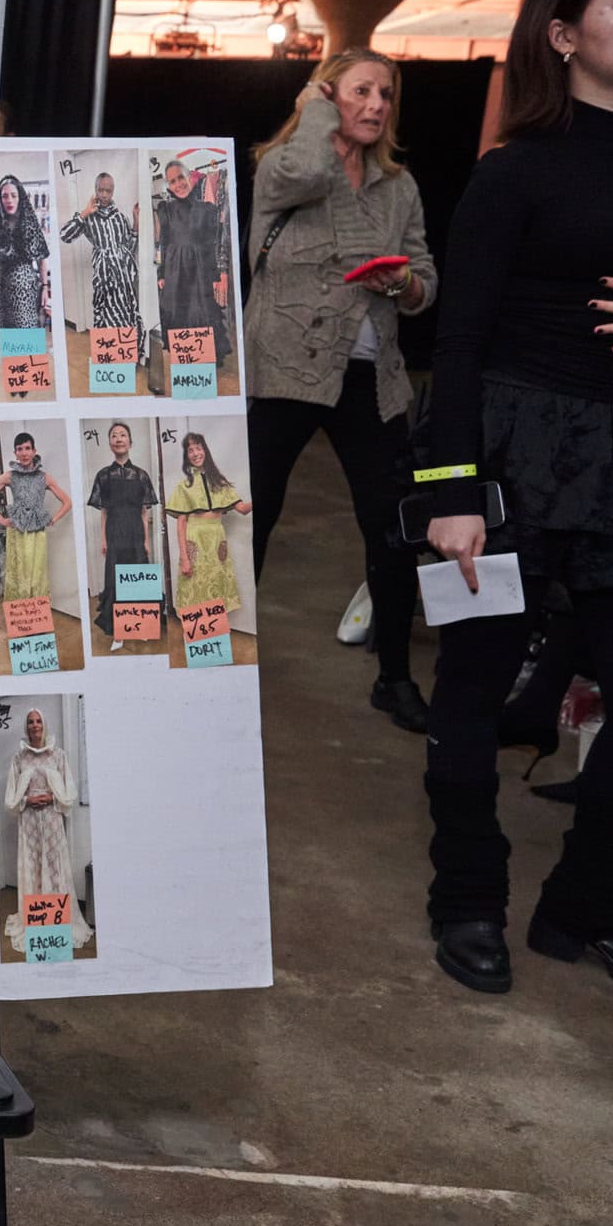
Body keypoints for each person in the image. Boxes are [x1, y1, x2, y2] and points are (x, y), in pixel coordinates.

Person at [422, 0, 613, 1013]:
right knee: (472, 692)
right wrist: (452, 490)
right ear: (564, 32)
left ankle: (584, 906)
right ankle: (467, 897)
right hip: (511, 454)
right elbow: (457, 342)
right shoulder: (516, 172)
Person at [245, 47, 438, 732]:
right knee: (251, 520)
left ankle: (395, 678)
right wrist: (314, 115)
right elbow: (305, 171)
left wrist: (405, 284)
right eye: (361, 91)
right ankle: (219, 664)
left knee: (392, 526)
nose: (377, 105)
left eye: (386, 94)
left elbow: (425, 281)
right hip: (284, 368)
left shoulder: (399, 187)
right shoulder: (283, 167)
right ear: (326, 95)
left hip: (368, 375)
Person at [0, 709, 91, 953]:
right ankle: (37, 919)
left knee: (53, 866)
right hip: (29, 821)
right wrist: (27, 800)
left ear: (44, 724)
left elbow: (69, 792)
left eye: (38, 721)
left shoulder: (57, 755)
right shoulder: (19, 758)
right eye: (30, 722)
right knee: (33, 865)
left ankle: (57, 922)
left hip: (51, 820)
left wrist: (51, 797)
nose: (35, 725)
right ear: (26, 727)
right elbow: (10, 797)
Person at [165, 432, 253, 615]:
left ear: (205, 450)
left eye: (198, 448)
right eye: (190, 450)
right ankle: (198, 632)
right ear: (186, 456)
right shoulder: (184, 486)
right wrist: (185, 558)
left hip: (216, 538)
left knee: (216, 586)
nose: (195, 453)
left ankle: (215, 631)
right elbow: (181, 523)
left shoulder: (220, 483)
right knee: (195, 586)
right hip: (195, 538)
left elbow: (243, 509)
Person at [58, 171, 142, 362]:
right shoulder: (89, 217)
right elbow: (64, 235)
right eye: (100, 190)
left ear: (113, 191)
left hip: (123, 279)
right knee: (103, 315)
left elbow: (130, 246)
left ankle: (124, 360)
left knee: (124, 316)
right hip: (103, 277)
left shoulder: (120, 217)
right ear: (95, 190)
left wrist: (135, 219)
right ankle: (107, 360)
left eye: (108, 191)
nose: (104, 194)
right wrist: (85, 212)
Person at [154, 160, 232, 365]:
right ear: (168, 185)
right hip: (175, 270)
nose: (178, 184)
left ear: (189, 177)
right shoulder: (166, 210)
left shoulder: (208, 209)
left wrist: (216, 275)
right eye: (172, 181)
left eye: (181, 177)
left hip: (199, 271)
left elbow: (212, 244)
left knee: (200, 312)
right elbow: (164, 242)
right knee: (179, 313)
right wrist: (161, 272)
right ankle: (186, 361)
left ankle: (202, 362)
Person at [87, 423, 156, 651]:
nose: (119, 439)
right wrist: (104, 540)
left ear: (130, 442)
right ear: (110, 443)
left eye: (123, 435)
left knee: (138, 579)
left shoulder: (141, 475)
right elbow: (104, 511)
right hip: (115, 532)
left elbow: (144, 512)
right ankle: (119, 632)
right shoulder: (103, 476)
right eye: (114, 435)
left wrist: (146, 541)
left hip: (136, 532)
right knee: (116, 580)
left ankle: (141, 626)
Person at [0, 432, 71, 603]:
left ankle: (37, 612)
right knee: (18, 572)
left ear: (34, 451)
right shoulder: (10, 476)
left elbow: (67, 502)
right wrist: (1, 519)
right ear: (15, 453)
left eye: (27, 448)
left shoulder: (44, 477)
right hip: (17, 531)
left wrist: (53, 519)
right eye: (20, 449)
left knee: (37, 572)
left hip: (37, 532)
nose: (24, 453)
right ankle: (20, 613)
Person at [0, 174, 49, 339]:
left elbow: (41, 259)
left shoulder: (30, 224)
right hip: (2, 290)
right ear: (0, 199)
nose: (9, 200)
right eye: (5, 196)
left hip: (27, 289)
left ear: (20, 197)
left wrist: (45, 287)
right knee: (9, 338)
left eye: (13, 195)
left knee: (29, 335)